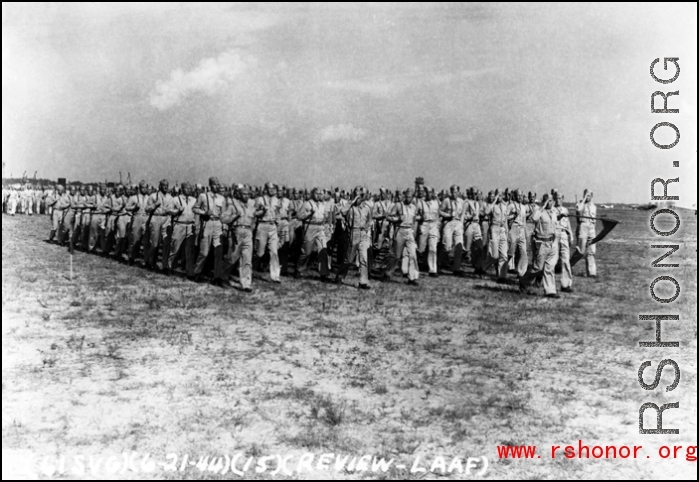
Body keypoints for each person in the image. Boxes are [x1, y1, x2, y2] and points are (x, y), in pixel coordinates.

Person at [519, 193, 560, 297]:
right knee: (538, 267)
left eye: (550, 201)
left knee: (550, 267)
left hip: (552, 242)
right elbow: (533, 218)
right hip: (541, 243)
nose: (549, 203)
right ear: (543, 201)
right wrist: (543, 206)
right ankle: (523, 281)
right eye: (547, 200)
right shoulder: (540, 212)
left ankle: (550, 291)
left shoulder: (554, 212)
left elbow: (555, 224)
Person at [335, 186, 373, 289]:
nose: (358, 198)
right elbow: (342, 211)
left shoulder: (367, 208)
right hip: (353, 232)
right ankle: (340, 276)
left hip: (363, 233)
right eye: (356, 195)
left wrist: (366, 227)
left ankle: (363, 281)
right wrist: (352, 201)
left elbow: (370, 220)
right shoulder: (350, 207)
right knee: (349, 259)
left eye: (360, 196)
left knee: (363, 258)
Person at [221, 186, 257, 292]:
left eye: (248, 194)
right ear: (239, 195)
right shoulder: (233, 206)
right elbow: (223, 218)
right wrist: (233, 217)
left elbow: (254, 220)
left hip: (248, 232)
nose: (246, 196)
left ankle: (246, 284)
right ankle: (222, 276)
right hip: (237, 232)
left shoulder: (251, 207)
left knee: (247, 259)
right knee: (232, 257)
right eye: (244, 194)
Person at [193, 177, 226, 285]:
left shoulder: (221, 198)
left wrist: (224, 227)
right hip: (207, 224)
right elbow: (195, 208)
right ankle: (197, 272)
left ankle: (217, 277)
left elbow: (224, 215)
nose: (217, 186)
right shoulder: (203, 196)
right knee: (204, 252)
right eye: (215, 184)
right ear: (210, 185)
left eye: (218, 184)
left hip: (218, 224)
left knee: (218, 252)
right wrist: (204, 212)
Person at [383, 188, 419, 286]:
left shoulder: (414, 207)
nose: (408, 199)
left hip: (409, 231)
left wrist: (414, 233)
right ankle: (387, 273)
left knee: (413, 254)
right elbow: (388, 216)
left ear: (412, 197)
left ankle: (412, 278)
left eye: (410, 197)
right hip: (400, 230)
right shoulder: (398, 205)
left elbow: (414, 221)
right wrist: (397, 219)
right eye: (406, 196)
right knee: (396, 255)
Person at [295, 187, 330, 282]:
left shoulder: (323, 204)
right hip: (310, 227)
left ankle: (324, 274)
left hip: (320, 228)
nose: (319, 195)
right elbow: (299, 216)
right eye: (316, 193)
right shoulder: (307, 203)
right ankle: (299, 269)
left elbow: (324, 217)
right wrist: (309, 213)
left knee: (323, 250)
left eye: (320, 193)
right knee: (307, 252)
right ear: (312, 194)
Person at [166, 182, 198, 278]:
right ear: (182, 189)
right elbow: (169, 211)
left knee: (189, 251)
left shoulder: (194, 200)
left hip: (190, 226)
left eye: (190, 188)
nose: (189, 190)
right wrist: (177, 211)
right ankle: (169, 267)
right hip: (179, 225)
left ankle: (189, 273)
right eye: (186, 188)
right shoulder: (175, 199)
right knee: (175, 248)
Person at [253, 182, 282, 283]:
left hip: (272, 226)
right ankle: (249, 269)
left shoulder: (277, 200)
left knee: (274, 252)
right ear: (265, 189)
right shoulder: (259, 199)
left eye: (273, 188)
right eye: (270, 188)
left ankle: (275, 276)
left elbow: (278, 214)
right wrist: (262, 211)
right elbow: (255, 213)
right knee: (259, 253)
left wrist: (278, 227)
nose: (272, 190)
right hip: (262, 225)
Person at [480, 189, 510, 282]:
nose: (500, 197)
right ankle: (483, 267)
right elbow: (486, 212)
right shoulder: (492, 205)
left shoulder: (505, 206)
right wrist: (494, 200)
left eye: (501, 195)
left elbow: (505, 220)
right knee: (494, 255)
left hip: (502, 229)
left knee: (504, 255)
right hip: (494, 229)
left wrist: (507, 232)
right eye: (498, 195)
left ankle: (502, 276)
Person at [144, 179, 172, 271]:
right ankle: (150, 262)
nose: (166, 187)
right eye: (164, 185)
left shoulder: (170, 197)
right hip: (156, 218)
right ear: (160, 186)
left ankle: (164, 266)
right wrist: (155, 205)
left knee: (166, 244)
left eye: (167, 185)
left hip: (166, 219)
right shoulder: (153, 196)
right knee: (155, 244)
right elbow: (147, 209)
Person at [438, 185, 465, 275]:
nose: (454, 193)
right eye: (452, 191)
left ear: (458, 192)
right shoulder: (446, 201)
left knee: (459, 247)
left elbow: (463, 214)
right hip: (448, 223)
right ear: (450, 192)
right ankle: (438, 263)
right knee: (447, 247)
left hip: (458, 224)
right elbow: (440, 211)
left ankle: (456, 269)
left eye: (456, 192)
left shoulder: (461, 201)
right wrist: (448, 215)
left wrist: (461, 225)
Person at [416, 185, 440, 277]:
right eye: (427, 192)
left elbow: (438, 215)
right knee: (420, 249)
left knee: (433, 248)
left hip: (433, 226)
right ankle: (414, 267)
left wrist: (437, 227)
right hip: (424, 225)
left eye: (430, 192)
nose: (429, 194)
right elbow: (415, 215)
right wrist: (420, 218)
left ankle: (433, 270)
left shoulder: (436, 203)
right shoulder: (420, 203)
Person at [125, 181, 151, 266]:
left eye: (146, 187)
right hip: (137, 217)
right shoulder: (133, 198)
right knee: (135, 239)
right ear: (139, 188)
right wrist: (134, 207)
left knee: (147, 241)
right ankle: (131, 258)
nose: (145, 189)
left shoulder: (150, 197)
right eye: (143, 187)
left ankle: (147, 261)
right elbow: (127, 207)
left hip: (146, 218)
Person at [554, 190, 574, 292]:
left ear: (563, 199)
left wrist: (571, 235)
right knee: (550, 261)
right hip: (553, 235)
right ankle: (539, 280)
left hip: (564, 235)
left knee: (566, 260)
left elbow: (568, 224)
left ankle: (566, 285)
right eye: (556, 198)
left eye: (560, 198)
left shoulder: (565, 210)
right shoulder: (551, 210)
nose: (558, 200)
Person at [507, 189, 529, 278]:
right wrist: (513, 215)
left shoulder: (523, 207)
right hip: (513, 228)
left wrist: (525, 232)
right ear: (515, 196)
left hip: (522, 230)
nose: (520, 197)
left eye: (521, 195)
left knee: (523, 252)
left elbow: (524, 221)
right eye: (518, 195)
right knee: (511, 252)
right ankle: (502, 267)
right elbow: (504, 218)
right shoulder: (511, 206)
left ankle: (521, 273)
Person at [576, 189, 597, 277]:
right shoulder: (580, 204)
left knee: (591, 251)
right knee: (581, 251)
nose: (587, 197)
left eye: (588, 195)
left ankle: (592, 273)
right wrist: (583, 200)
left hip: (591, 228)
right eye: (585, 195)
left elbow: (594, 220)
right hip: (583, 227)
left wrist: (593, 230)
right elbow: (578, 209)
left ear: (592, 196)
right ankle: (568, 265)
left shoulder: (594, 207)